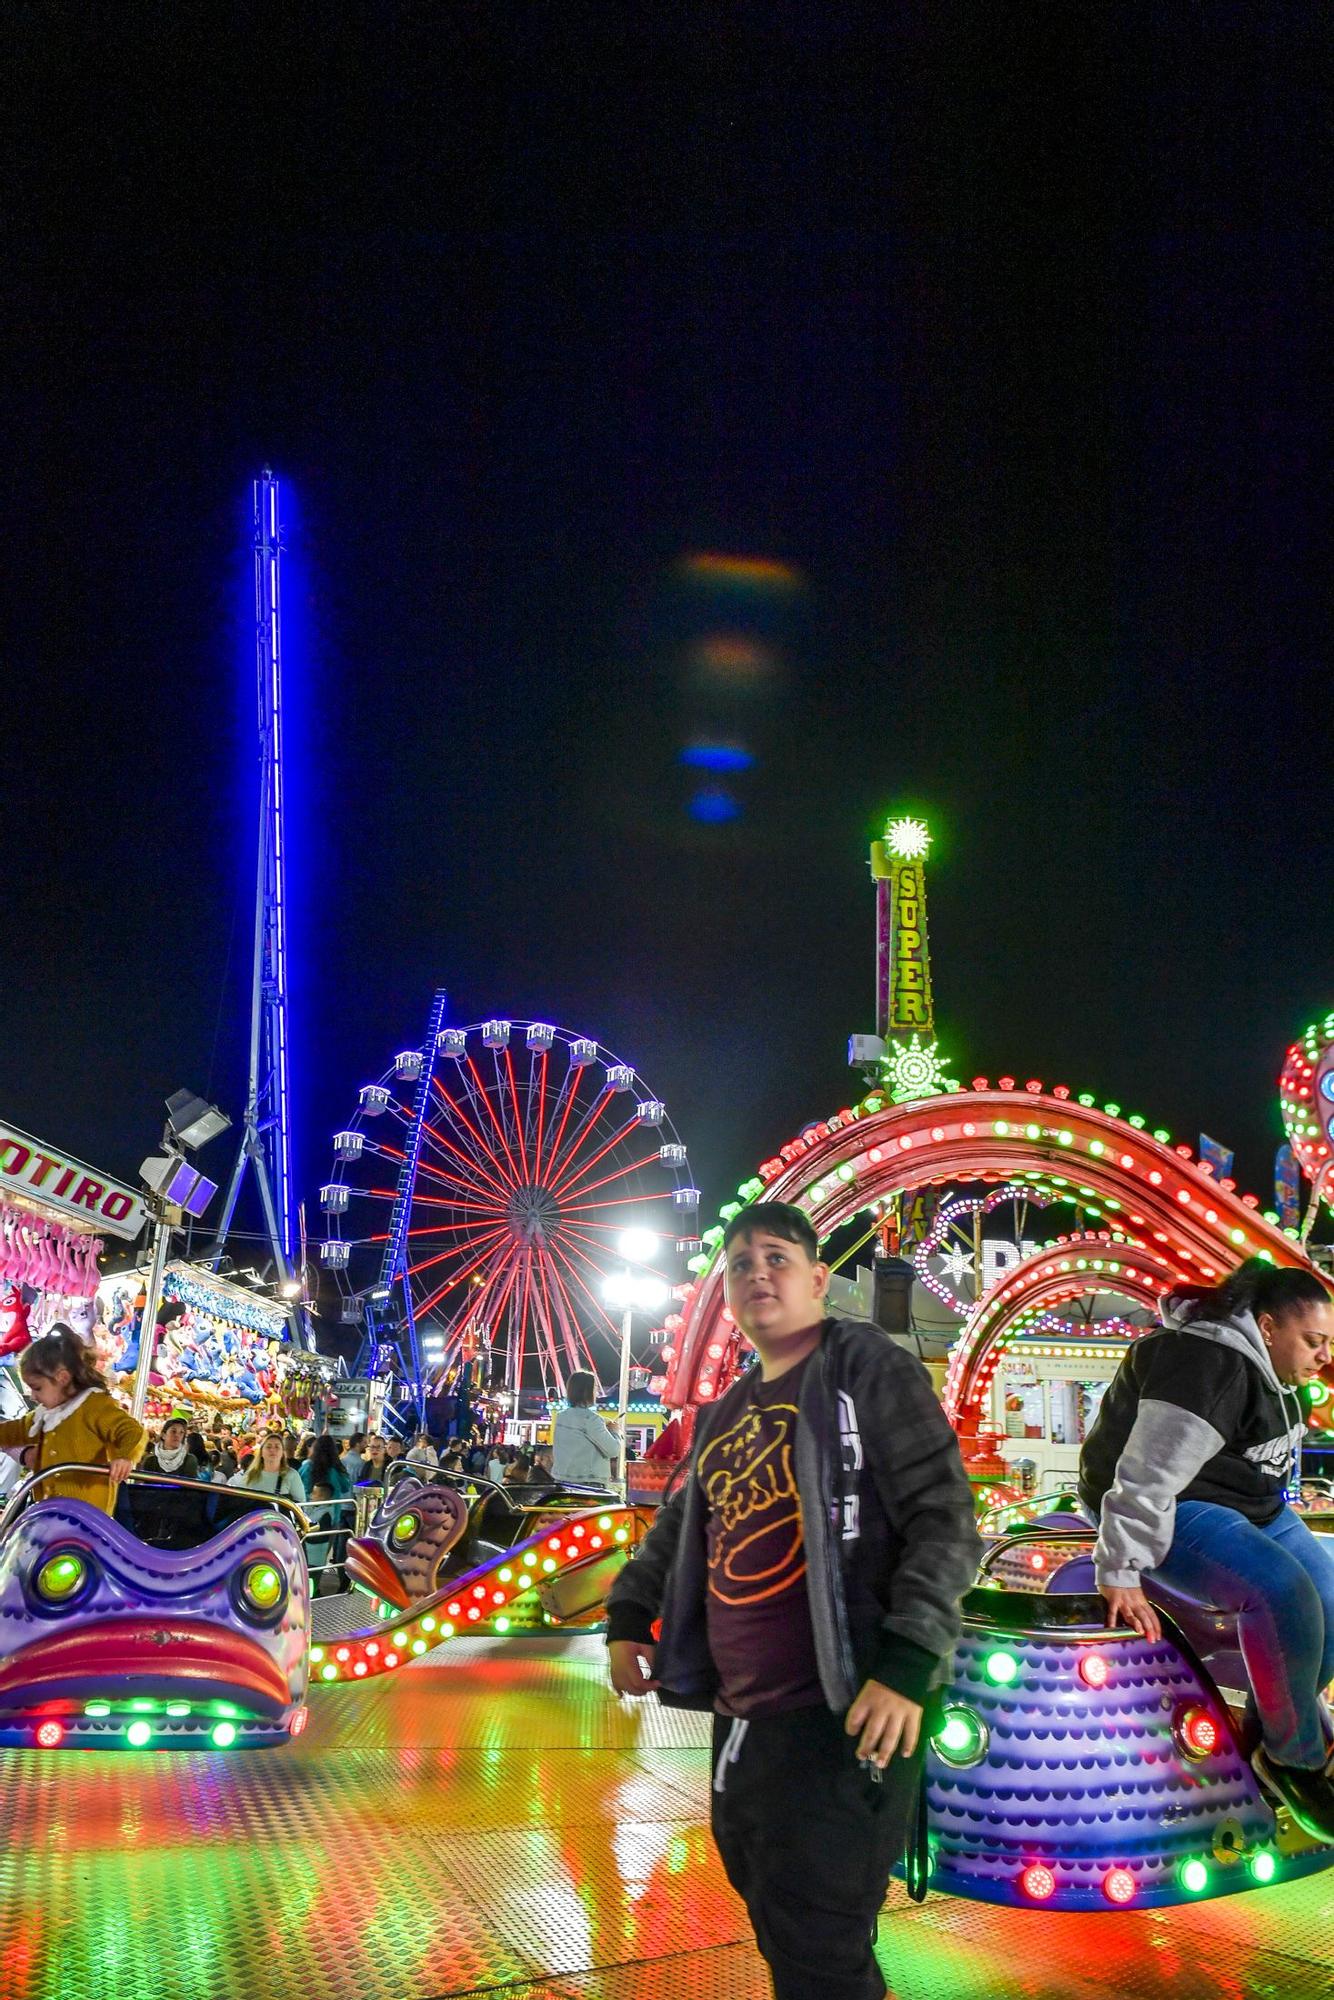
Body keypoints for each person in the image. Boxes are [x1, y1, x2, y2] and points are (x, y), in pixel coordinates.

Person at [607, 1202, 981, 2000]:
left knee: (820, 1927)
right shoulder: (730, 1410)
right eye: (740, 1263)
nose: (756, 1274)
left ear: (819, 1279)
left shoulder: (864, 1368)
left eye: (776, 1257)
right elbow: (681, 1527)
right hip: (745, 1716)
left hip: (845, 1704)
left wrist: (908, 1660)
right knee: (775, 1906)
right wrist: (628, 1614)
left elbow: (943, 1514)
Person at [1080, 1256, 1334, 1840]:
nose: (1324, 1355)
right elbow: (1145, 1477)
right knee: (1282, 1594)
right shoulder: (1207, 1365)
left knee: (1330, 1599)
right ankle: (1296, 1761)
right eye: (1314, 1341)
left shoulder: (1279, 1370)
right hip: (1172, 1503)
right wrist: (1118, 1568)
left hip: (1249, 1501)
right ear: (1267, 1327)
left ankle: (1268, 1737)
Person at [0, 1326, 147, 1512]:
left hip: (86, 1514)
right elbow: (16, 1430)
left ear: (62, 1378)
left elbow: (131, 1431)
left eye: (37, 1388)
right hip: (49, 1508)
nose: (33, 1397)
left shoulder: (94, 1405)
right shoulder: (45, 1414)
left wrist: (123, 1457)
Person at [552, 1372, 619, 1486]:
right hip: (588, 1482)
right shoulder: (591, 1419)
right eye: (595, 1388)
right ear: (588, 1391)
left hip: (561, 1479)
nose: (596, 1392)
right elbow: (613, 1450)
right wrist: (614, 1431)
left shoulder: (561, 1416)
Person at [228, 1429, 306, 1505]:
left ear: (283, 1452)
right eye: (268, 1447)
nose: (273, 1450)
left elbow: (300, 1504)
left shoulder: (291, 1475)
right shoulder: (250, 1475)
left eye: (277, 1447)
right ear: (261, 1452)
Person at [140, 1414, 201, 1483]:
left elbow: (189, 1489)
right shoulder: (150, 1460)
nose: (177, 1435)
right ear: (163, 1435)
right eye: (173, 1431)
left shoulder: (190, 1460)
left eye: (181, 1432)